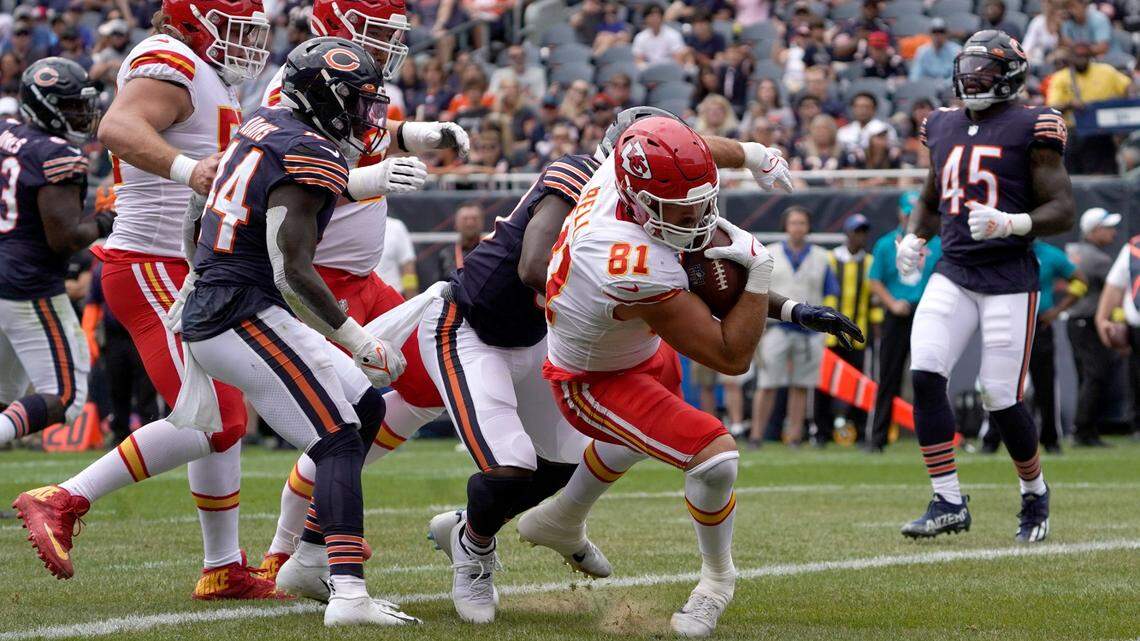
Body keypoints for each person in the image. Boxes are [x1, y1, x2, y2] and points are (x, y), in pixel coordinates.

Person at [14, 0, 279, 598]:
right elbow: (118, 128)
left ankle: (224, 568)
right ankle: (63, 498)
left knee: (221, 414)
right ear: (195, 21)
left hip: (181, 266)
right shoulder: (170, 59)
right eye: (237, 26)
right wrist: (189, 169)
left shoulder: (203, 69)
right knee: (216, 417)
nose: (248, 42)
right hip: (152, 264)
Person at [179, 37, 418, 627]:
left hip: (231, 299)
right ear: (325, 99)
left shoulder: (267, 123)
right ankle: (348, 594)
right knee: (336, 435)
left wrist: (201, 269)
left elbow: (201, 204)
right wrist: (359, 340)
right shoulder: (306, 150)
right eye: (358, 104)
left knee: (363, 411)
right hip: (239, 311)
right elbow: (291, 270)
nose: (367, 117)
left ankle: (309, 559)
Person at [526, 116, 773, 638]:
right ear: (639, 202)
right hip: (592, 379)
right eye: (678, 207)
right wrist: (762, 272)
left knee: (643, 440)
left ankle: (562, 517)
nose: (695, 213)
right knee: (716, 458)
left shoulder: (625, 165)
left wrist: (751, 153)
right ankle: (717, 581)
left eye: (700, 198)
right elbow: (731, 357)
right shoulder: (627, 258)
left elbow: (688, 150)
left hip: (636, 347)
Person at [252, 0, 470, 590]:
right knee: (342, 420)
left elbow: (369, 126)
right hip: (319, 280)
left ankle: (313, 534)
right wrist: (371, 178)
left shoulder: (344, 80)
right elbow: (288, 175)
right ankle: (290, 550)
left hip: (363, 278)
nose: (391, 40)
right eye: (377, 28)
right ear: (337, 26)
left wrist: (415, 133)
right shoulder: (290, 90)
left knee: (423, 389)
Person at [896, 31, 1075, 542]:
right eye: (969, 67)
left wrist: (1014, 223)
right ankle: (947, 499)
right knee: (926, 373)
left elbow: (1063, 210)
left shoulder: (1032, 125)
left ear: (1010, 76)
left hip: (1008, 278)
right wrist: (914, 238)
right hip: (953, 269)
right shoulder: (943, 124)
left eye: (986, 69)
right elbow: (932, 196)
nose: (974, 77)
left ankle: (1035, 490)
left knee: (1000, 397)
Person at [0, 59, 105, 447]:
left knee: (3, 398)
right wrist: (106, 219)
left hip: (6, 271)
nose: (81, 113)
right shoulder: (56, 154)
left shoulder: (6, 133)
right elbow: (64, 238)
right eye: (71, 105)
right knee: (66, 396)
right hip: (27, 285)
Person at [982, 239, 1085, 454]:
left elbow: (1080, 281)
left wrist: (1057, 311)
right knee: (1000, 382)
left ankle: (1050, 439)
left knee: (1045, 383)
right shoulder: (1004, 251)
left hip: (1039, 323)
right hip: (1009, 322)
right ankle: (992, 439)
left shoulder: (1050, 254)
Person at [749, 206, 837, 448]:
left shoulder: (821, 256)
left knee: (802, 385)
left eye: (802, 223)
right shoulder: (770, 253)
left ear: (808, 227)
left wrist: (825, 324)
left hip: (809, 331)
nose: (798, 227)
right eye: (793, 223)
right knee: (767, 383)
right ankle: (756, 435)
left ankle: (795, 436)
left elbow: (831, 292)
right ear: (785, 226)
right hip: (776, 328)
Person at [866, 191, 942, 452]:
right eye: (907, 212)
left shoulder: (938, 243)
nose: (910, 217)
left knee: (930, 376)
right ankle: (878, 438)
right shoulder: (887, 244)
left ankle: (934, 437)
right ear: (900, 213)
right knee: (888, 377)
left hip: (927, 311)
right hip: (897, 313)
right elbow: (874, 279)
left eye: (914, 212)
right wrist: (891, 303)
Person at [814, 214, 874, 446]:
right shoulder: (829, 259)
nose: (860, 236)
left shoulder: (868, 262)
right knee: (824, 384)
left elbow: (873, 299)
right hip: (828, 335)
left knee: (859, 384)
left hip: (857, 334)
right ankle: (821, 432)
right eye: (856, 231)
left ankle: (858, 429)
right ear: (847, 233)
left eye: (863, 232)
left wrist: (874, 324)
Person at [1066, 207, 1121, 447]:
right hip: (1088, 321)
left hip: (1075, 321)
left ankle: (1086, 429)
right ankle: (1083, 430)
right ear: (1094, 230)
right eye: (1107, 227)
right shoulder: (1098, 259)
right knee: (1096, 374)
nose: (1113, 232)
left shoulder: (1074, 250)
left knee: (1087, 375)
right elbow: (1117, 289)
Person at [1046, 43, 1132, 175]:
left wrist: (1121, 112)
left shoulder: (1106, 71)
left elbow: (1128, 86)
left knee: (1106, 172)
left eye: (1085, 56)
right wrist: (1070, 104)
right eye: (1078, 56)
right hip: (1075, 133)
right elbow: (1051, 107)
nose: (1082, 60)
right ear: (1071, 58)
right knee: (1075, 173)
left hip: (1102, 134)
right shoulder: (1061, 77)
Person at [1096, 228, 1140, 442]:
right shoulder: (1133, 248)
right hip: (1137, 326)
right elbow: (1115, 285)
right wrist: (1102, 318)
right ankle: (1138, 425)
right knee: (1137, 377)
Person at [435, 202, 484, 282]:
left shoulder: (491, 251)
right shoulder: (446, 255)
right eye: (465, 219)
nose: (470, 223)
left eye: (475, 219)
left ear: (482, 222)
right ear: (456, 223)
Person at [376, 215, 418, 298]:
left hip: (393, 301)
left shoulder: (396, 227)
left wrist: (411, 301)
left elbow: (408, 267)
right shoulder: (353, 227)